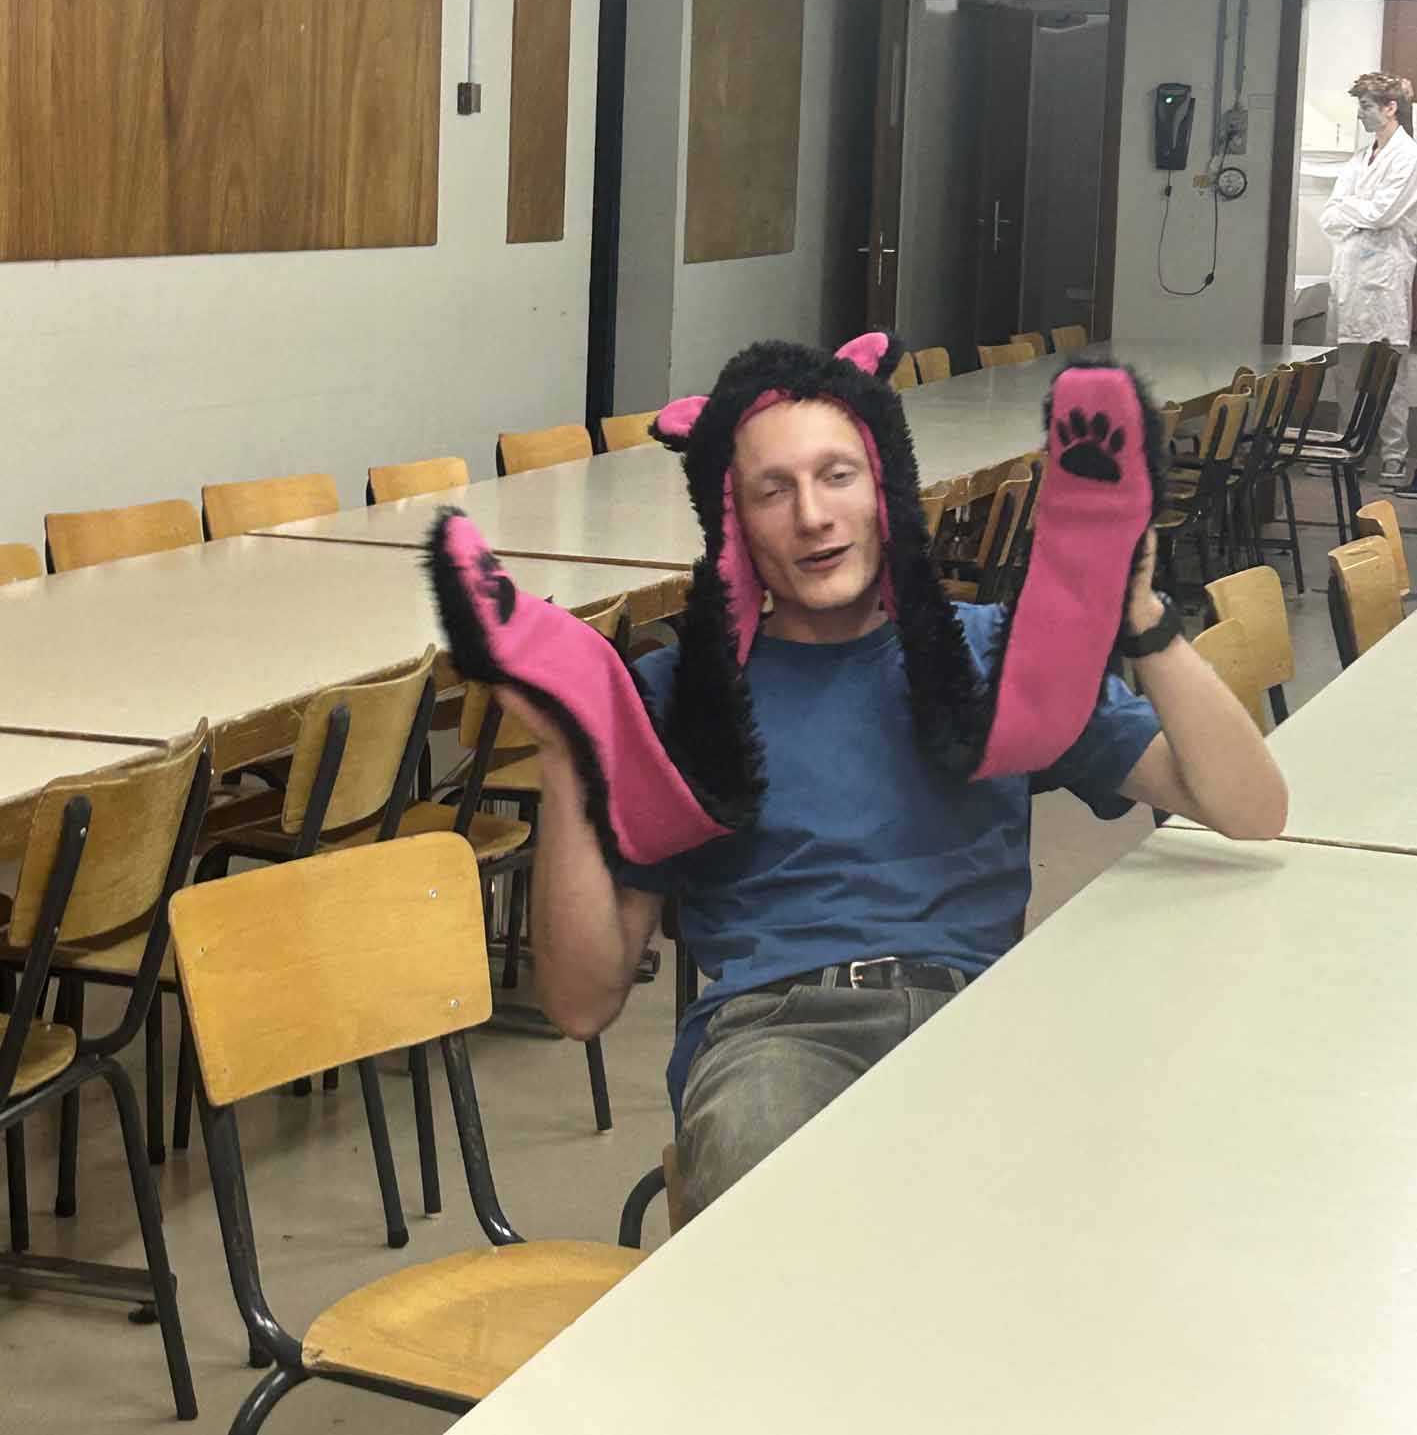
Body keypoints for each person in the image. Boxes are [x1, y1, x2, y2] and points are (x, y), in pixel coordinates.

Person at [511, 344, 1287, 1225]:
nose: (812, 516)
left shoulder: (992, 654)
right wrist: (564, 756)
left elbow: (1250, 808)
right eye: (772, 490)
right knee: (771, 1194)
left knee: (1130, 1186)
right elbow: (581, 1003)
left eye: (836, 475)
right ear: (732, 522)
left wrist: (1138, 615)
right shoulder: (681, 695)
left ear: (885, 486)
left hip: (983, 1010)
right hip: (778, 1033)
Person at [1319, 71, 1417, 490]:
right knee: (1348, 372)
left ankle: (1393, 455)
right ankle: (1348, 447)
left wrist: (1353, 211)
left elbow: (1383, 214)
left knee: (1390, 373)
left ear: (1390, 108)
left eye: (1365, 106)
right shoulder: (1360, 158)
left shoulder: (1408, 158)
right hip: (1349, 278)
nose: (1360, 115)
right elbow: (1330, 214)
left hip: (1384, 281)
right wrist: (1357, 212)